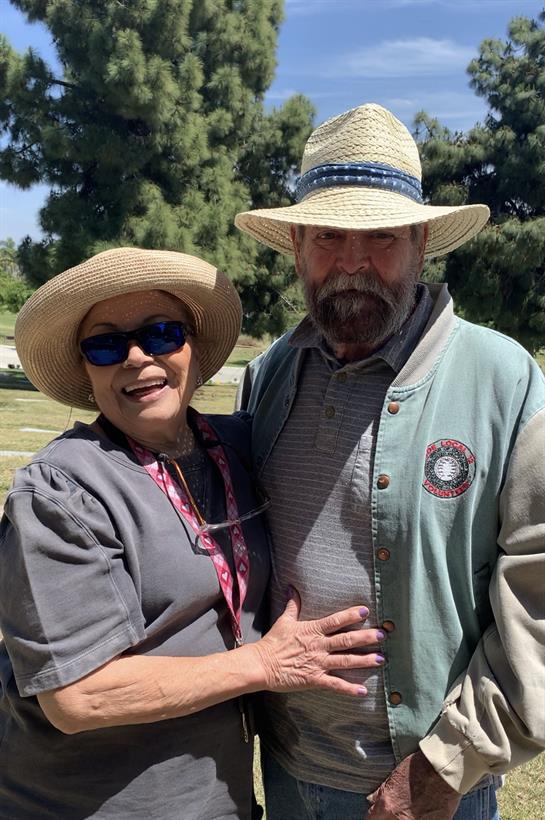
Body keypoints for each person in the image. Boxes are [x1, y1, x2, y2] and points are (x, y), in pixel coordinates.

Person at [235, 103, 545, 819]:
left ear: (420, 242)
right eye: (327, 235)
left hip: (429, 789)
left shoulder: (505, 381)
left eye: (380, 236)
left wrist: (444, 766)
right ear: (296, 246)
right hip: (286, 769)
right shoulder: (269, 375)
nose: (352, 262)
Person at [0, 247, 386, 820]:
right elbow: (77, 696)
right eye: (105, 346)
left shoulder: (237, 446)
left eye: (162, 333)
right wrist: (264, 664)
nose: (137, 357)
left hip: (217, 798)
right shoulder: (61, 492)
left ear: (194, 349)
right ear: (86, 370)